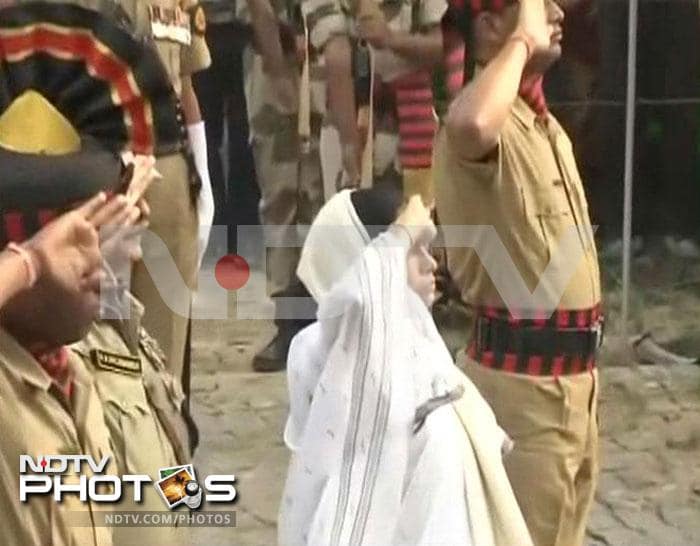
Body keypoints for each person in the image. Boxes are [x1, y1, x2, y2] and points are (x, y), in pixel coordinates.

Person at [0, 6, 188, 545]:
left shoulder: (88, 360)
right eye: (83, 231)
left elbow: (167, 489)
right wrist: (30, 263)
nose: (137, 224)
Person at [434, 1, 603, 545]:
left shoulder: (541, 124)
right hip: (521, 391)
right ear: (490, 26)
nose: (556, 14)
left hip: (574, 388)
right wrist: (522, 44)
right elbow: (469, 124)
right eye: (537, 6)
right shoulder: (482, 117)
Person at [279, 191, 532, 546]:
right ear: (367, 267)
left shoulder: (428, 377)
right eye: (413, 252)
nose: (432, 264)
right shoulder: (419, 415)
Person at [71, 160, 195, 546]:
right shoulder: (61, 365)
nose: (138, 255)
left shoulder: (129, 333)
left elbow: (171, 460)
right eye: (128, 228)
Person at [237, 0, 325, 372]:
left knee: (327, 198)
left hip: (329, 59)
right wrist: (276, 64)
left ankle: (328, 319)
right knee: (283, 198)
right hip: (279, 58)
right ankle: (290, 323)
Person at [303, 0, 445, 200]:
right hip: (349, 120)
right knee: (350, 217)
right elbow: (337, 57)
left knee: (415, 216)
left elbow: (442, 44)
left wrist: (390, 39)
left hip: (415, 118)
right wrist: (349, 144)